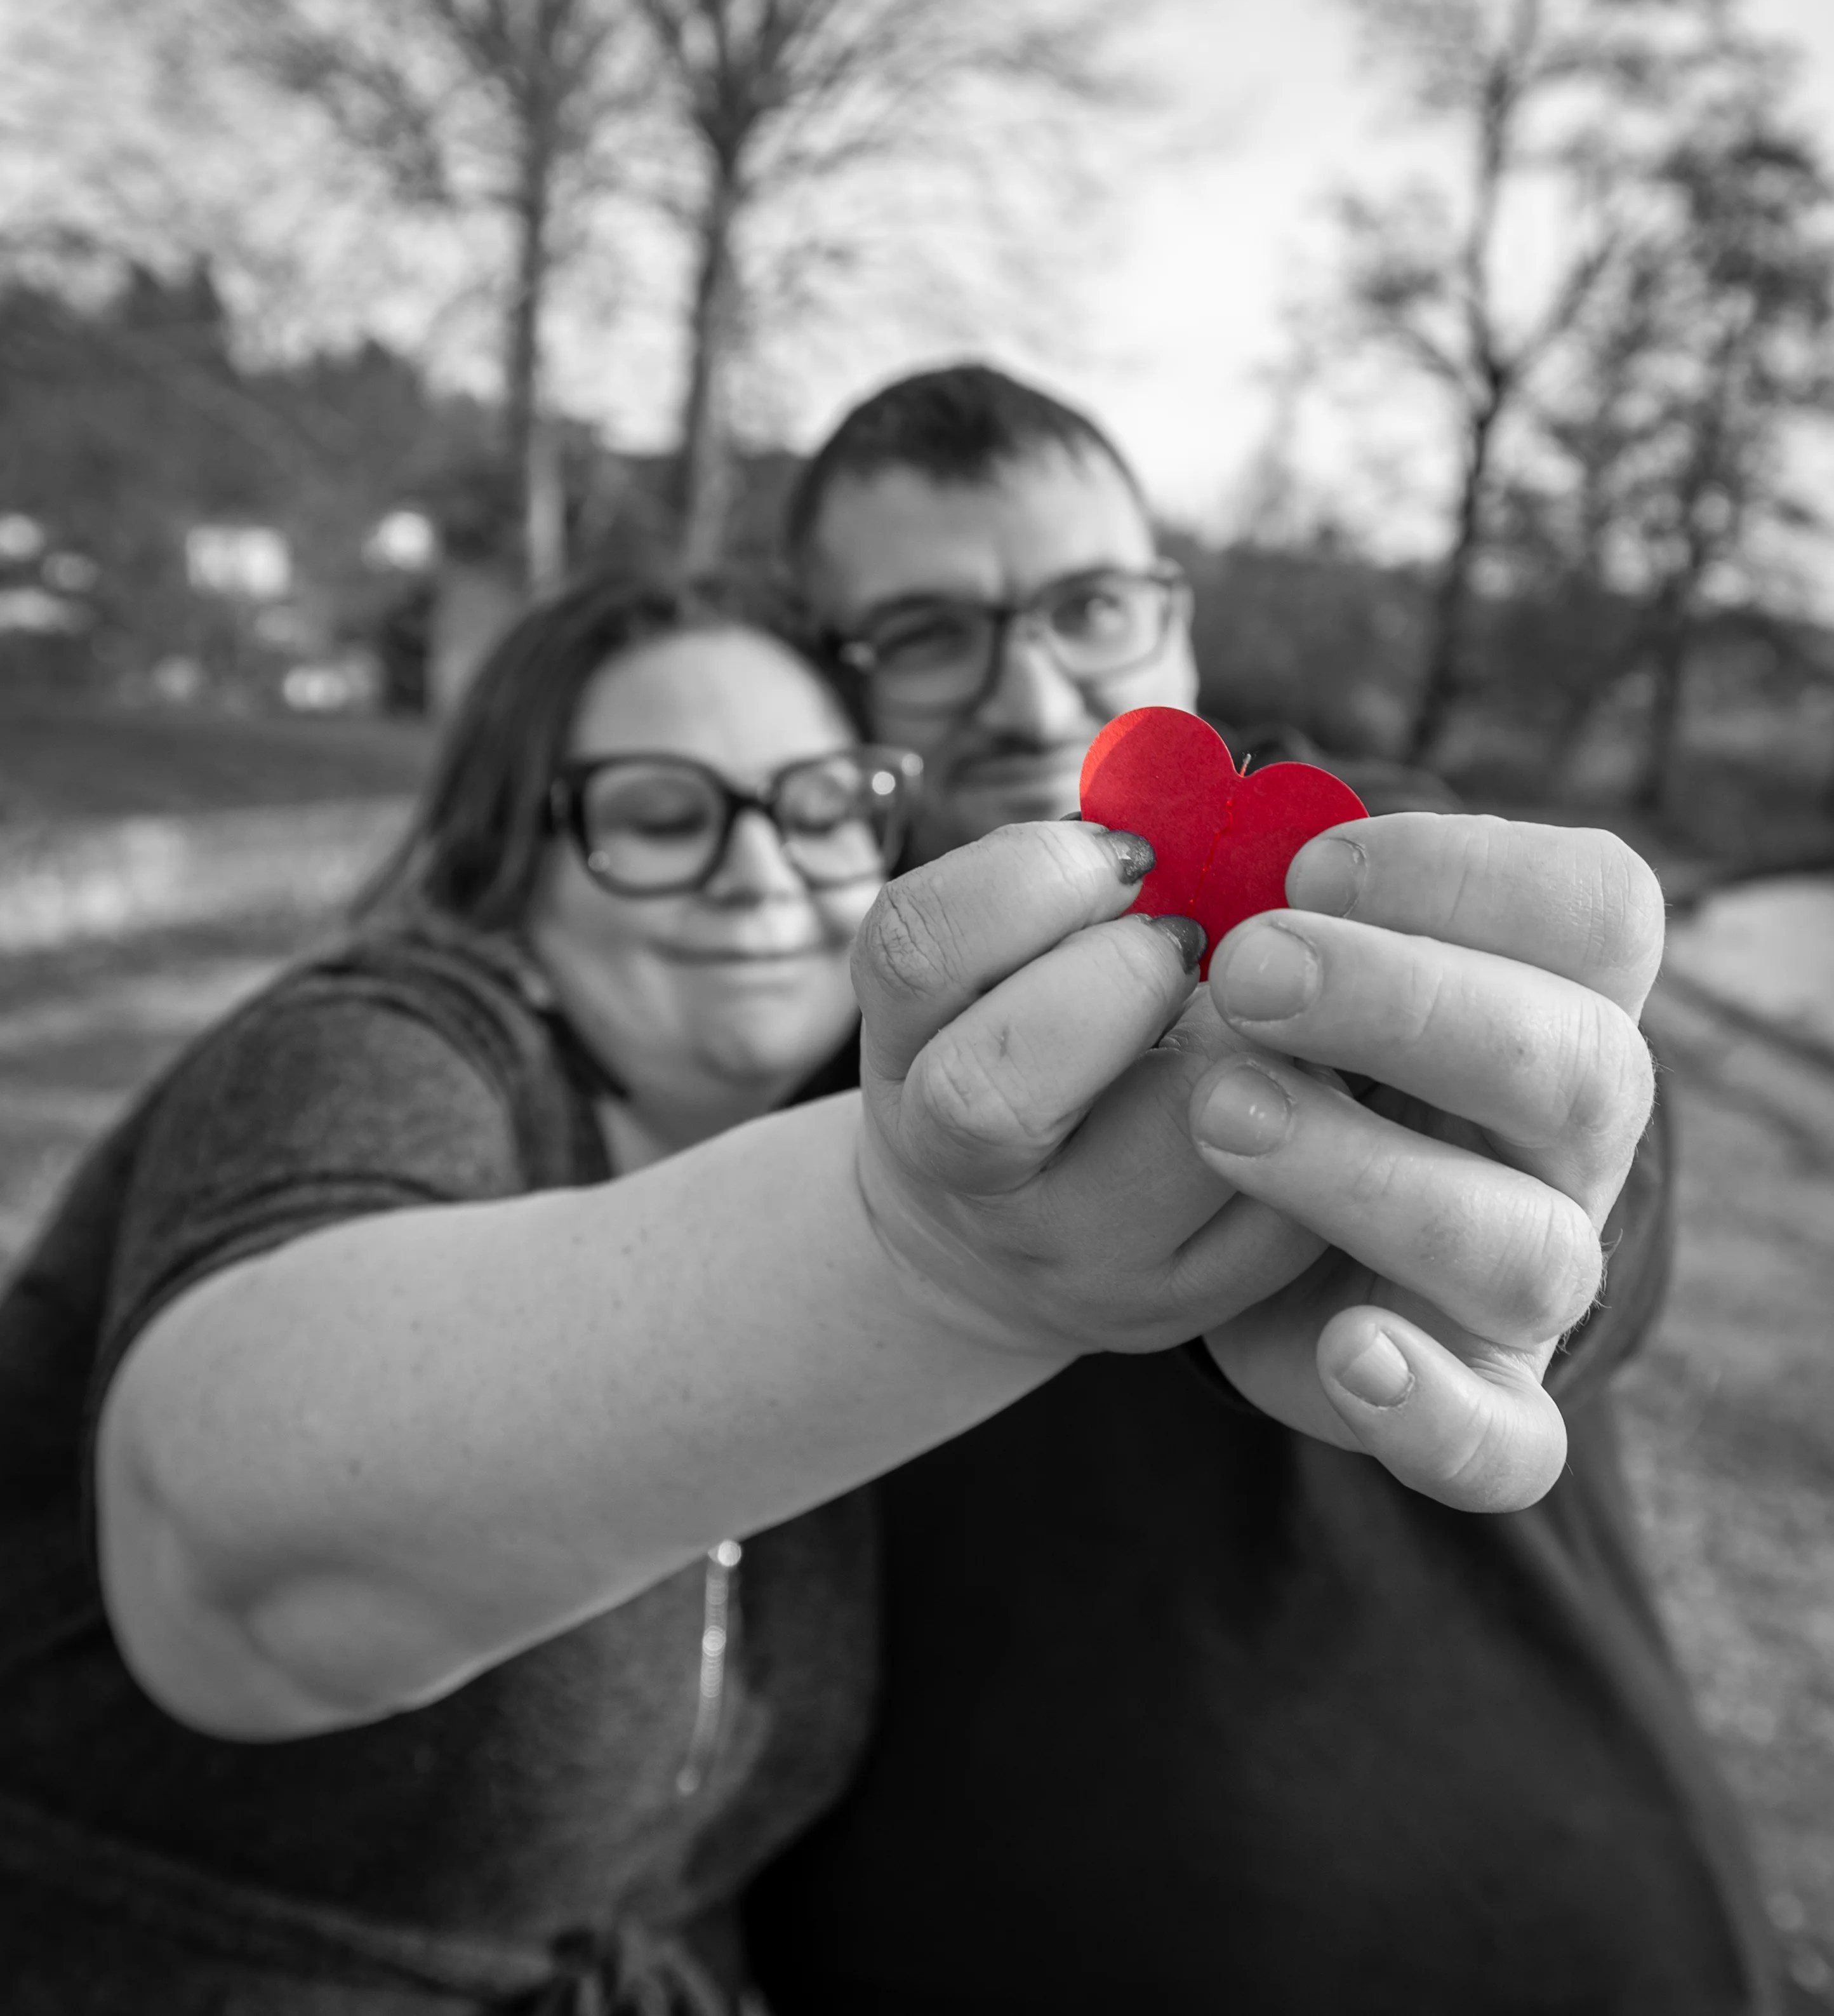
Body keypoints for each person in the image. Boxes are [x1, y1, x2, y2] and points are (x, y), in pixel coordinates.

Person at [1, 573, 1407, 2013]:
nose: (759, 873)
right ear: (512, 852)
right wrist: (929, 1257)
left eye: (817, 807)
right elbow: (233, 1530)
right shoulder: (375, 1046)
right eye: (664, 816)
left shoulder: (796, 1135)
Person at [745, 363, 1789, 2015]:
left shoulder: (1374, 865)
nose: (1031, 691)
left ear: (1173, 623)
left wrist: (1550, 1241)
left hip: (1573, 1921)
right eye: (930, 631)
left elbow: (1593, 1150)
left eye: (1089, 602)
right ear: (832, 682)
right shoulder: (793, 1035)